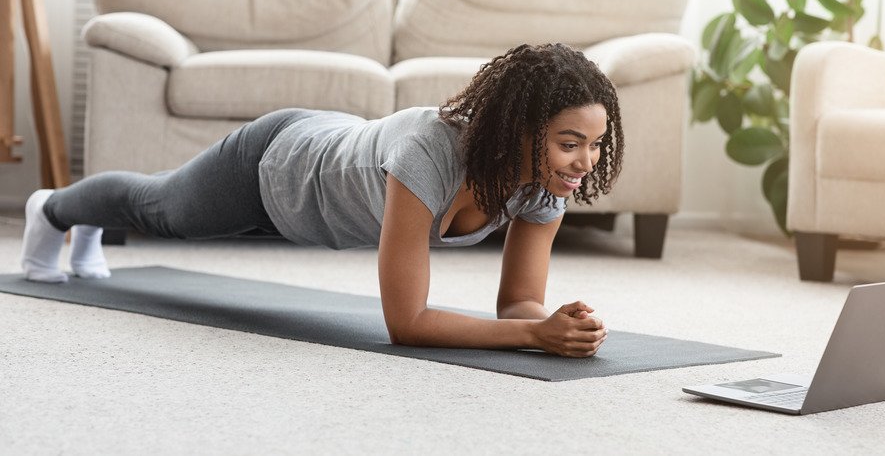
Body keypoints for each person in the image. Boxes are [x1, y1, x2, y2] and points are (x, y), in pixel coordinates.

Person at [19, 43, 624, 358]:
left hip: (324, 204)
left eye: (596, 145)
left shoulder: (545, 183)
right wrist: (530, 337)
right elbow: (406, 324)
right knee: (161, 210)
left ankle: (79, 221)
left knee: (161, 211)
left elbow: (519, 302)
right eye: (570, 144)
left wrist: (556, 326)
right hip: (276, 165)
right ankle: (53, 210)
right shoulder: (428, 152)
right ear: (518, 130)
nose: (585, 164)